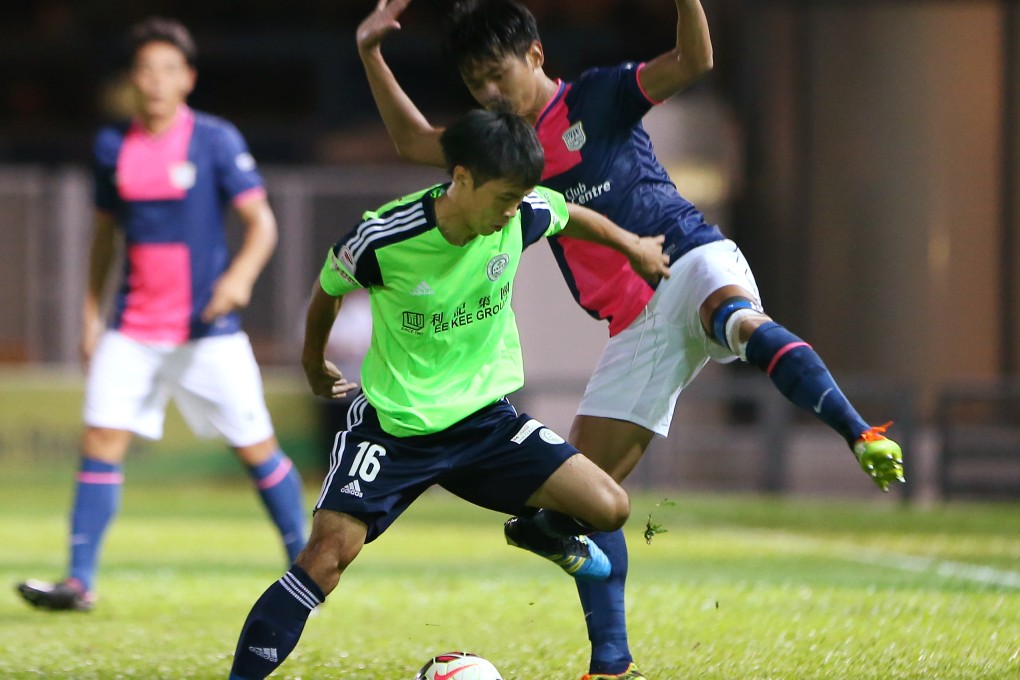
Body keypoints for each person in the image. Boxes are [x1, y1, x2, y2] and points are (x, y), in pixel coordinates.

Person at [356, 1, 906, 678]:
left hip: (686, 255)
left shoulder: (600, 96)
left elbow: (694, 63)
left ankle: (859, 431)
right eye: (474, 85)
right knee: (574, 502)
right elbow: (415, 143)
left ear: (533, 54)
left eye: (497, 75)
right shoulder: (500, 150)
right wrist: (371, 54)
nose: (488, 94)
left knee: (735, 319)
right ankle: (610, 667)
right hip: (635, 326)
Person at [227, 108, 671, 679]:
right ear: (461, 178)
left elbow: (567, 213)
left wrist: (633, 245)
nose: (513, 211)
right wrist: (313, 364)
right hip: (397, 428)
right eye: (504, 197)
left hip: (486, 423)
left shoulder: (520, 213)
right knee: (326, 558)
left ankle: (561, 575)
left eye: (521, 198)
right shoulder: (385, 236)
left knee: (610, 506)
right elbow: (328, 289)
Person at [15, 17, 307, 613]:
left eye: (168, 69)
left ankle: (308, 561)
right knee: (100, 440)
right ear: (132, 80)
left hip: (208, 333)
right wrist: (91, 314)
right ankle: (79, 581)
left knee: (256, 447)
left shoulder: (215, 140)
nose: (156, 81)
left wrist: (238, 278)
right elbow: (105, 239)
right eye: (146, 69)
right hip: (133, 330)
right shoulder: (111, 146)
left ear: (188, 79)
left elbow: (263, 225)